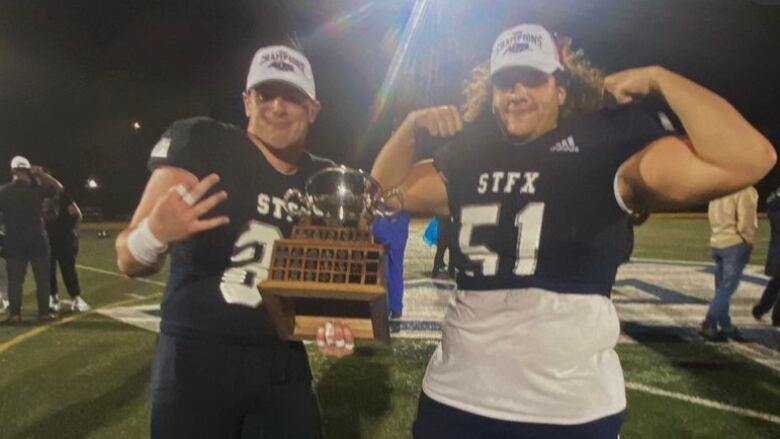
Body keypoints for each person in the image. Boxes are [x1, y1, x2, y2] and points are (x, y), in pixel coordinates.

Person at [371, 23, 775, 438]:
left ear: (561, 88)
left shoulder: (603, 148)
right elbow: (381, 195)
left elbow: (749, 158)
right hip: (457, 396)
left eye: (533, 78)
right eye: (505, 82)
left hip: (567, 411)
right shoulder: (471, 157)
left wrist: (660, 77)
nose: (517, 93)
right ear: (490, 93)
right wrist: (410, 129)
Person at [115, 44, 354, 438]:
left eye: (292, 97)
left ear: (312, 109)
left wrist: (332, 322)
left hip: (282, 360)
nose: (277, 107)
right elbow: (128, 259)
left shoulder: (324, 178)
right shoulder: (204, 142)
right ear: (247, 102)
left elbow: (329, 284)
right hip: (196, 358)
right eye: (265, 94)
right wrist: (154, 234)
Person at [0, 156, 63, 324]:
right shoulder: (37, 189)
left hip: (14, 240)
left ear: (12, 170)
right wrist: (42, 174)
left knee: (15, 281)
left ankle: (15, 315)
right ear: (28, 170)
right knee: (42, 280)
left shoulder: (4, 191)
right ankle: (44, 313)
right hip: (37, 239)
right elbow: (59, 189)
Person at [701, 186, 758, 341]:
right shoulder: (745, 190)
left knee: (721, 287)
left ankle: (725, 323)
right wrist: (749, 241)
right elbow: (746, 221)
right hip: (734, 243)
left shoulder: (719, 189)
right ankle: (710, 322)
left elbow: (712, 215)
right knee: (727, 287)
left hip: (717, 241)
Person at [45, 189, 90, 313]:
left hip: (64, 238)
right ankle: (53, 298)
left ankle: (75, 297)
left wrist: (73, 233)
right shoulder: (37, 193)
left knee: (68, 269)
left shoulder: (62, 195)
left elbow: (78, 214)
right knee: (49, 270)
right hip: (46, 239)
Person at [371, 211, 411, 320]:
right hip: (398, 225)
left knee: (386, 271)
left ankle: (388, 307)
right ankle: (395, 307)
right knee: (395, 270)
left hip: (390, 225)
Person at [752, 184, 780, 326]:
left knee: (776, 283)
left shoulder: (773, 207)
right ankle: (777, 318)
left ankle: (761, 308)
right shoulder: (776, 210)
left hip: (776, 251)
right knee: (776, 283)